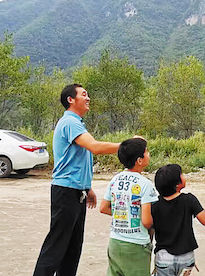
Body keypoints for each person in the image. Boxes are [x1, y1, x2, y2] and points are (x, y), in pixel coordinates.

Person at [33, 84, 121, 276]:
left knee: (72, 247)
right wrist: (128, 145)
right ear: (71, 100)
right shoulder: (70, 123)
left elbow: (80, 161)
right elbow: (95, 147)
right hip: (65, 191)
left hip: (75, 191)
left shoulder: (77, 124)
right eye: (84, 94)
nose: (88, 98)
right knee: (57, 244)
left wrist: (87, 188)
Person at [100, 137, 158, 276]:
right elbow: (146, 221)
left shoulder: (115, 179)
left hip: (115, 241)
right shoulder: (145, 184)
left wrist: (123, 214)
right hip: (136, 245)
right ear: (139, 160)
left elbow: (103, 207)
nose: (148, 154)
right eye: (146, 151)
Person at [152, 164, 205, 276]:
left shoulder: (155, 204)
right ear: (177, 184)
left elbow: (150, 227)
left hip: (164, 256)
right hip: (186, 257)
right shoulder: (189, 200)